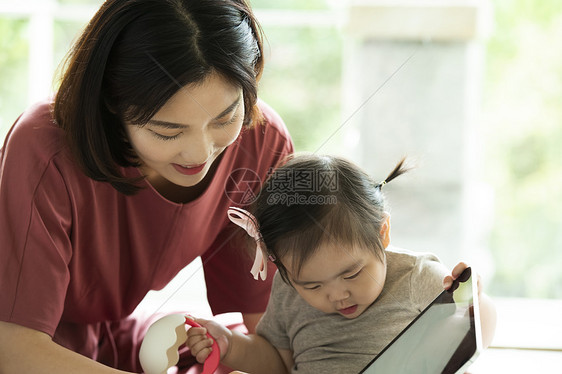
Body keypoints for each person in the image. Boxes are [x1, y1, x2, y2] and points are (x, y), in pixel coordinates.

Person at [0, 1, 293, 373]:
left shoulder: (260, 140)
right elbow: (13, 348)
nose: (200, 153)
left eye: (225, 117)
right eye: (166, 131)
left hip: (112, 339)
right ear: (111, 103)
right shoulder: (44, 147)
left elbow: (271, 338)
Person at [186, 154, 497, 374]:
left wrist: (474, 300)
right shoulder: (288, 290)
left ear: (382, 232)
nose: (337, 295)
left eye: (351, 273)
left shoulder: (418, 277)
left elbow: (476, 332)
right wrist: (231, 346)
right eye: (313, 285)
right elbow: (278, 364)